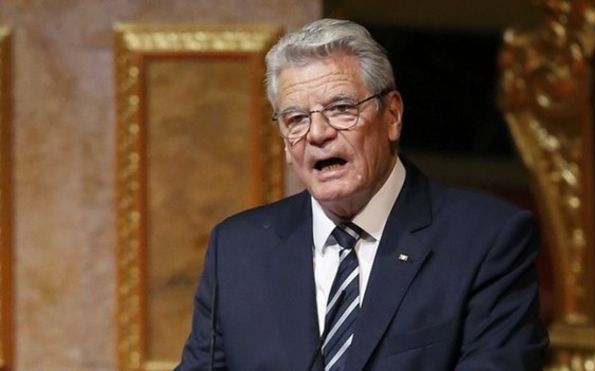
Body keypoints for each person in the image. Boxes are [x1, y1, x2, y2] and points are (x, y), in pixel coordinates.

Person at [175, 18, 548, 371]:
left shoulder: (486, 239)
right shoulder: (238, 248)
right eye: (296, 119)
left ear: (392, 116)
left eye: (340, 109)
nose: (317, 133)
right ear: (286, 144)